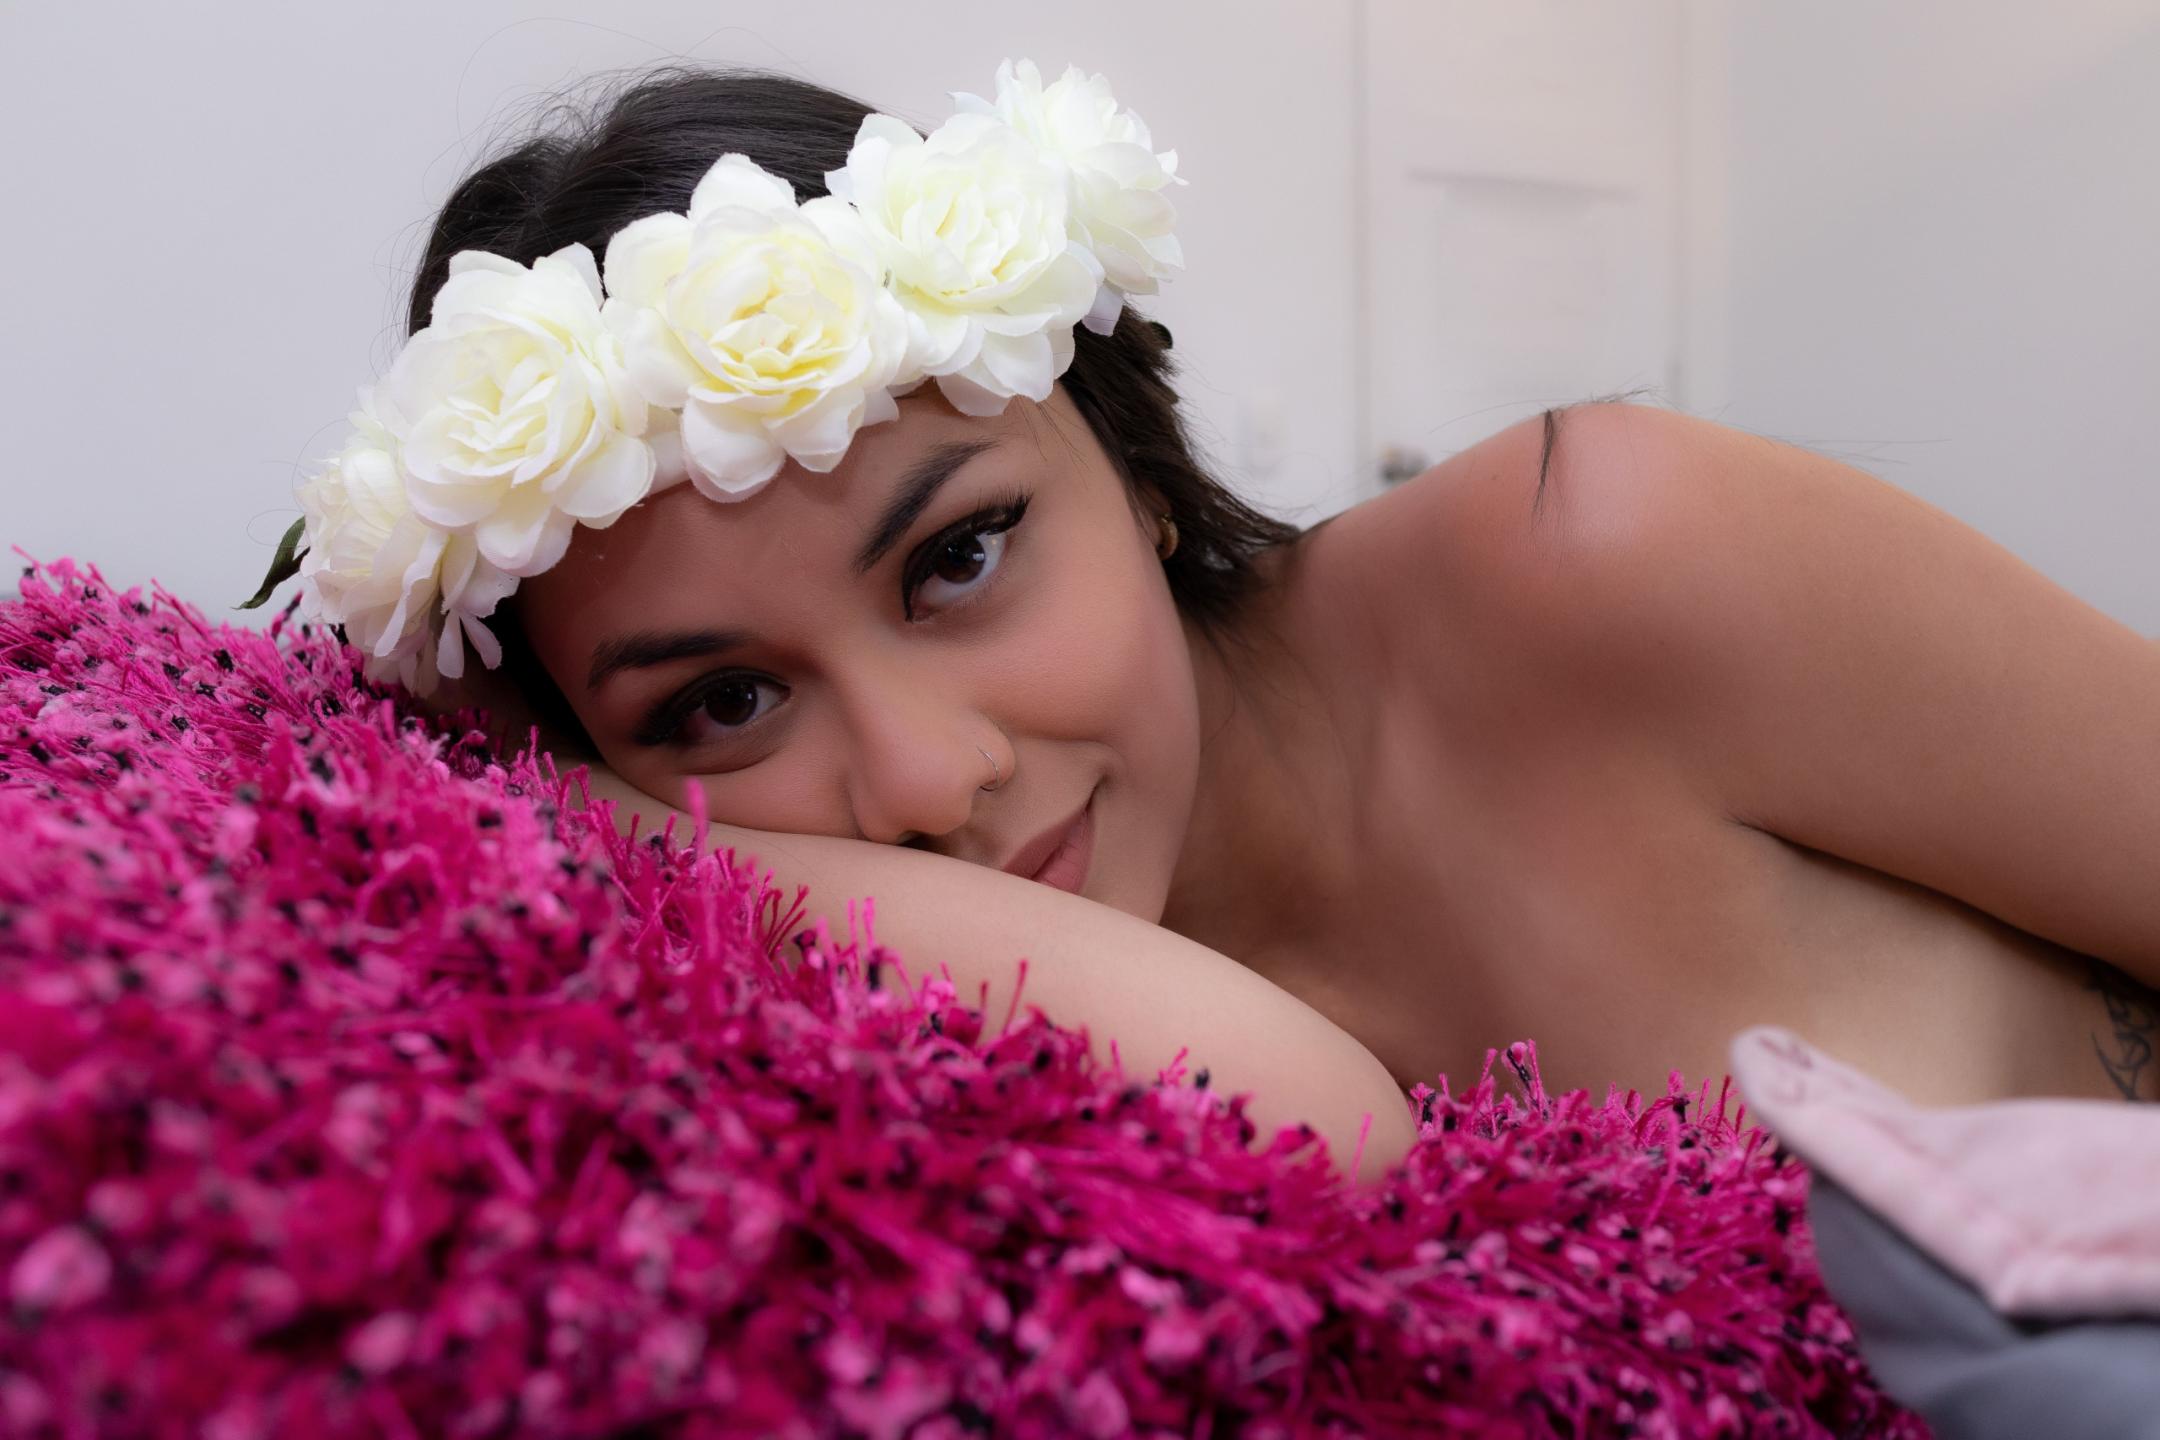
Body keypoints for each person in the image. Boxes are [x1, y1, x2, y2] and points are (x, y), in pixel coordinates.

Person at [271, 62, 2160, 1182]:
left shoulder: (1604, 557)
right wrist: (558, 815)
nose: (927, 781)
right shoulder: (890, 1030)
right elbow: (1313, 1123)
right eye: (721, 707)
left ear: (1137, 461)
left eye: (960, 559)